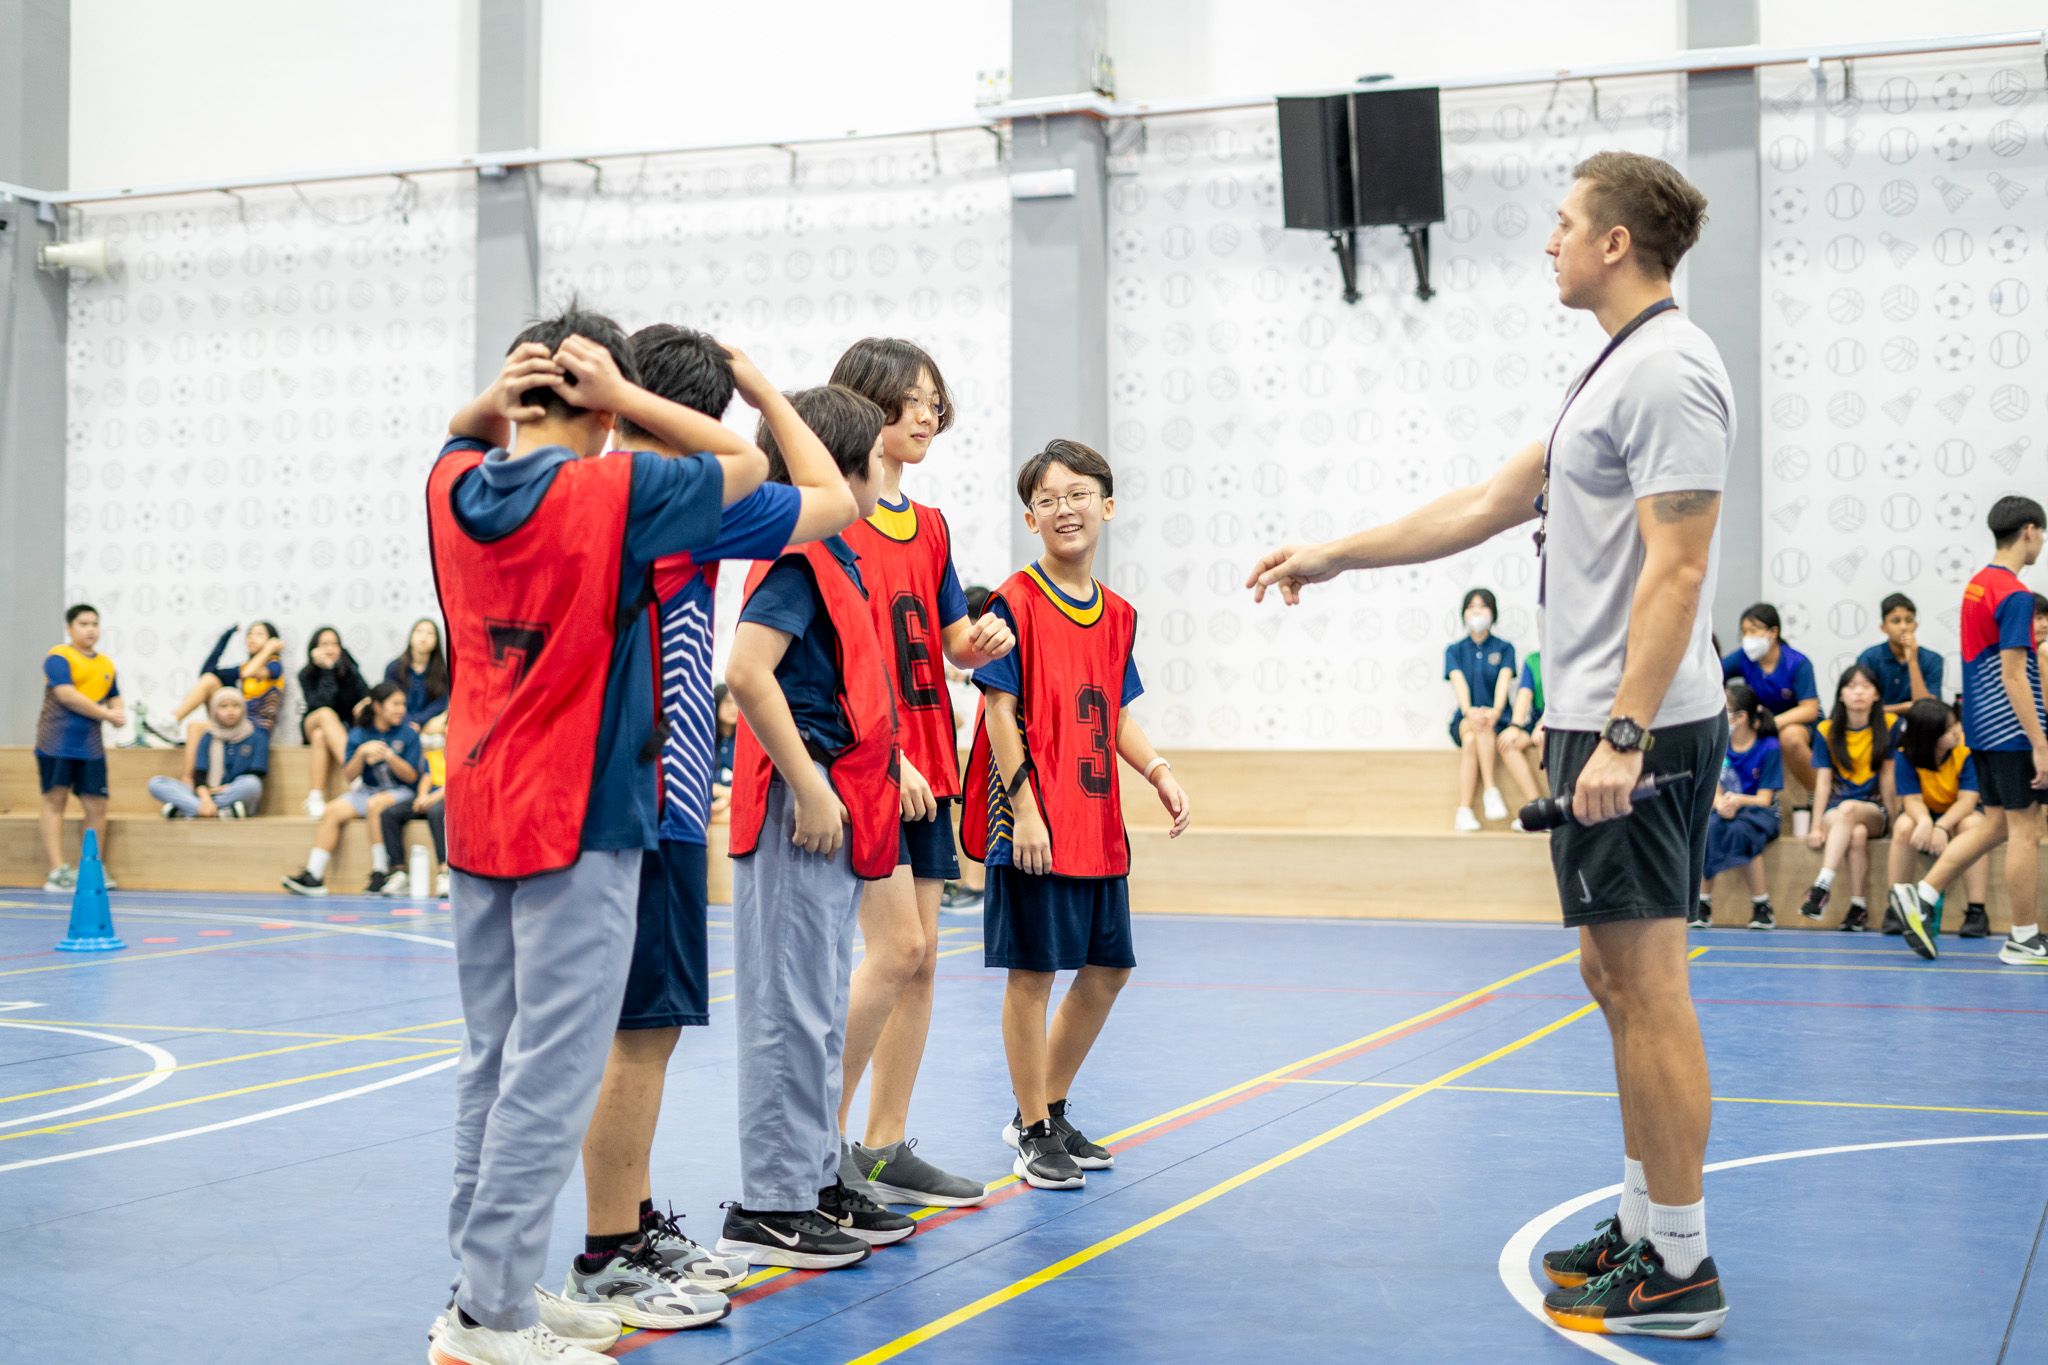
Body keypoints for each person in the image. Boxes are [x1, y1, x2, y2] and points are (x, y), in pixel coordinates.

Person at [1250, 150, 1731, 1336]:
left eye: (1563, 223)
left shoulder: (1669, 371)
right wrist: (1330, 554)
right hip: (1588, 720)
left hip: (1634, 728)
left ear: (1614, 241)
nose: (1547, 241)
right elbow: (1480, 505)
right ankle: (1642, 1224)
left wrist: (1623, 733)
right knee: (1611, 980)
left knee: (1648, 987)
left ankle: (1679, 1264)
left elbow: (1677, 570)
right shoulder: (1608, 371)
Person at [421, 307, 770, 1365]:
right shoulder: (616, 491)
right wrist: (625, 396)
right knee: (553, 1071)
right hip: (577, 816)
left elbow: (460, 432)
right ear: (601, 404)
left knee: (492, 1062)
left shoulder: (451, 489)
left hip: (476, 811)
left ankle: (484, 1288)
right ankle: (490, 1319)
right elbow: (747, 463)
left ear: (515, 395)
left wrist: (502, 399)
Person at [567, 326, 857, 1324]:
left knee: (629, 1033)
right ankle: (610, 1253)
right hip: (651, 804)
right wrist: (766, 392)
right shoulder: (680, 500)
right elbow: (831, 499)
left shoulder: (586, 492)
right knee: (641, 1035)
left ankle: (632, 1223)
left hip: (620, 800)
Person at [714, 384, 914, 1268]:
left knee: (821, 1010)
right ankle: (770, 1202)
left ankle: (812, 1175)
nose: (885, 465)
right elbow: (747, 672)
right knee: (786, 1012)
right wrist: (809, 783)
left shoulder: (841, 557)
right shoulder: (795, 560)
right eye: (873, 453)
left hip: (833, 809)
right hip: (800, 810)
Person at [964, 439, 1191, 1192]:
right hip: (1035, 822)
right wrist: (1025, 808)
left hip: (1096, 825)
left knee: (1109, 968)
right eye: (1048, 500)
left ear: (1107, 505)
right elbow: (999, 711)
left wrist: (1157, 770)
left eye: (1079, 494)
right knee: (1032, 975)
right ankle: (1031, 1131)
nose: (1065, 509)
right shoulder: (1013, 601)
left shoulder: (1118, 614)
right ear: (1031, 519)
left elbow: (1116, 713)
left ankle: (1047, 1108)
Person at [830, 336, 1014, 1208]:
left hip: (933, 756)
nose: (928, 414)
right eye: (911, 398)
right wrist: (887, 753)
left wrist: (984, 641)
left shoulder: (930, 525)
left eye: (936, 400)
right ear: (868, 402)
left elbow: (947, 643)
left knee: (925, 960)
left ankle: (882, 1145)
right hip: (875, 758)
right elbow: (840, 652)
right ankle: (812, 1140)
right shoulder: (838, 515)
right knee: (895, 949)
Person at [1889, 496, 2048, 967]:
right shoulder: (2015, 595)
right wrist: (2040, 741)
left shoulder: (1978, 586)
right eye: (2041, 534)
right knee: (2026, 831)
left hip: (1980, 729)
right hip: (2012, 732)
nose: (2041, 542)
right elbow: (2014, 675)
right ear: (2028, 531)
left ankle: (1923, 893)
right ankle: (2023, 938)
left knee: (1996, 824)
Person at [282, 683, 419, 896]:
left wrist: (389, 756)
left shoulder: (408, 733)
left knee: (375, 805)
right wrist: (361, 754)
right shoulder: (359, 733)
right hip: (368, 789)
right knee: (331, 811)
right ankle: (313, 875)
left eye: (403, 704)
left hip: (400, 790)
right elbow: (349, 776)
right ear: (378, 706)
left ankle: (380, 871)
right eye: (395, 704)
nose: (401, 709)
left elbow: (411, 777)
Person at [1799, 665, 1895, 930]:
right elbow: (1823, 781)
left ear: (1876, 694)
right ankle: (1858, 908)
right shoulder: (1826, 730)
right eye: (1851, 686)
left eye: (1865, 686)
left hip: (1873, 810)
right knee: (1856, 834)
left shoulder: (1890, 725)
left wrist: (1894, 821)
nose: (1858, 692)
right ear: (1841, 695)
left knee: (1850, 809)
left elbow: (1888, 778)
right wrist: (1815, 826)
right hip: (1836, 811)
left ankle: (1822, 884)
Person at [36, 604, 124, 892]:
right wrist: (106, 714)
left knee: (97, 805)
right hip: (56, 742)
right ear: (70, 628)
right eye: (83, 624)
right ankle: (57, 871)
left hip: (90, 746)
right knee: (55, 801)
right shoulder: (59, 657)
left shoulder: (106, 664)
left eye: (94, 624)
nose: (90, 629)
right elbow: (67, 695)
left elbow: (114, 696)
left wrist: (119, 713)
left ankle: (92, 867)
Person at [1886, 698, 1990, 939]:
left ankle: (1977, 911)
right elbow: (1911, 799)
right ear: (1928, 736)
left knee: (1974, 825)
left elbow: (1967, 800)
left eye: (1956, 723)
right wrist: (1925, 822)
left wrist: (1941, 826)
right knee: (1903, 826)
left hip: (1957, 811)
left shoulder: (1966, 750)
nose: (1956, 730)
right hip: (1923, 809)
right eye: (1948, 729)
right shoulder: (1905, 755)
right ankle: (1896, 907)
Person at [1698, 683, 1780, 930]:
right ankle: (1702, 903)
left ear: (1741, 717)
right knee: (1706, 827)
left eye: (1724, 708)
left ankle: (1762, 905)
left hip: (1760, 812)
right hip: (1727, 808)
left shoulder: (1769, 747)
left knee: (1741, 831)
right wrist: (1720, 803)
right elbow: (1713, 786)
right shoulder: (1719, 743)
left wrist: (1737, 800)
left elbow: (1765, 799)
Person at [1721, 603, 1819, 793]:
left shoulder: (1797, 663)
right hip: (1759, 722)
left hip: (1795, 723)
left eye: (1753, 631)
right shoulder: (1743, 658)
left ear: (1773, 632)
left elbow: (1809, 709)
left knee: (1790, 737)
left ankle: (1819, 794)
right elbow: (1716, 673)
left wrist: (1772, 723)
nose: (1748, 638)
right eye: (1744, 632)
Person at [147, 621, 286, 746]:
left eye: (259, 634)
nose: (252, 638)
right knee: (209, 680)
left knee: (196, 728)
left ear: (272, 640)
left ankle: (173, 727)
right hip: (236, 719)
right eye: (249, 634)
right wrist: (226, 636)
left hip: (254, 727)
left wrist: (269, 649)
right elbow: (207, 672)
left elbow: (248, 673)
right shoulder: (245, 667)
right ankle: (172, 720)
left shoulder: (274, 665)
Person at [1446, 587, 1517, 831]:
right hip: (1466, 719)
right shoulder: (1454, 650)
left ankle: (1464, 810)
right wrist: (1469, 711)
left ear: (1493, 612)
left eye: (1483, 606)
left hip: (1496, 719)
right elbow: (1459, 684)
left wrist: (1496, 711)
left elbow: (1503, 683)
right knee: (1477, 725)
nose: (1477, 611)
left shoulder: (1505, 648)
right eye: (1471, 606)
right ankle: (1490, 789)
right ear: (1464, 613)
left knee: (1471, 740)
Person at [149, 686, 268, 819]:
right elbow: (199, 775)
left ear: (244, 709)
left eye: (236, 705)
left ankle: (187, 810)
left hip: (233, 794)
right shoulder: (208, 736)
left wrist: (226, 788)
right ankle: (221, 812)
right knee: (156, 783)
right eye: (223, 706)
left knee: (252, 784)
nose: (230, 710)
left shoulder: (257, 736)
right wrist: (205, 798)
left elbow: (257, 772)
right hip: (206, 793)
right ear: (214, 711)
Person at [297, 625, 370, 817]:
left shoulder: (349, 669)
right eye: (324, 644)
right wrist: (327, 671)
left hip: (337, 729)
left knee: (320, 736)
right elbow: (320, 703)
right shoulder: (306, 674)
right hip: (313, 720)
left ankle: (315, 796)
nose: (330, 648)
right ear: (314, 648)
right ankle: (355, 777)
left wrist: (364, 703)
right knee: (325, 714)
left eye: (334, 644)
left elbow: (365, 695)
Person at [376, 741, 446, 899]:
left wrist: (432, 799)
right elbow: (426, 778)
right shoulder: (433, 756)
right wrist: (422, 797)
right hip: (428, 798)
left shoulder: (466, 756)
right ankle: (398, 871)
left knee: (437, 813)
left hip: (447, 798)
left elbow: (456, 782)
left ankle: (445, 871)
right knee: (389, 814)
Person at [1857, 593, 1943, 719]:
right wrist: (1904, 707)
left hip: (1918, 725)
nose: (1903, 627)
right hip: (1879, 723)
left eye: (1909, 620)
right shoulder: (1869, 657)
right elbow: (1861, 707)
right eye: (1896, 621)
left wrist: (1912, 661)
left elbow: (1926, 711)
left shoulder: (1933, 659)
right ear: (1884, 627)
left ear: (1916, 625)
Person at [1497, 648, 1548, 817]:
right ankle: (1538, 807)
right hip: (1536, 719)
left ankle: (1558, 806)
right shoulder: (1533, 660)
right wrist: (1515, 726)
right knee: (1508, 743)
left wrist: (1545, 723)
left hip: (1559, 719)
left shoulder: (1568, 657)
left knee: (1544, 738)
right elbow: (1524, 693)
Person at [385, 617, 451, 735]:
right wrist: (408, 721)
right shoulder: (394, 668)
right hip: (399, 720)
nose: (423, 637)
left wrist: (419, 721)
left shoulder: (442, 671)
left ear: (436, 641)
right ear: (411, 636)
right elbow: (389, 700)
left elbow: (441, 702)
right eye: (419, 631)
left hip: (429, 723)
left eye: (430, 633)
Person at [711, 684, 738, 817]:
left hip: (736, 805)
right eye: (728, 702)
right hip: (708, 803)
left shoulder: (744, 744)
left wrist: (726, 799)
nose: (734, 708)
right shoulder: (708, 740)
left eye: (737, 702)